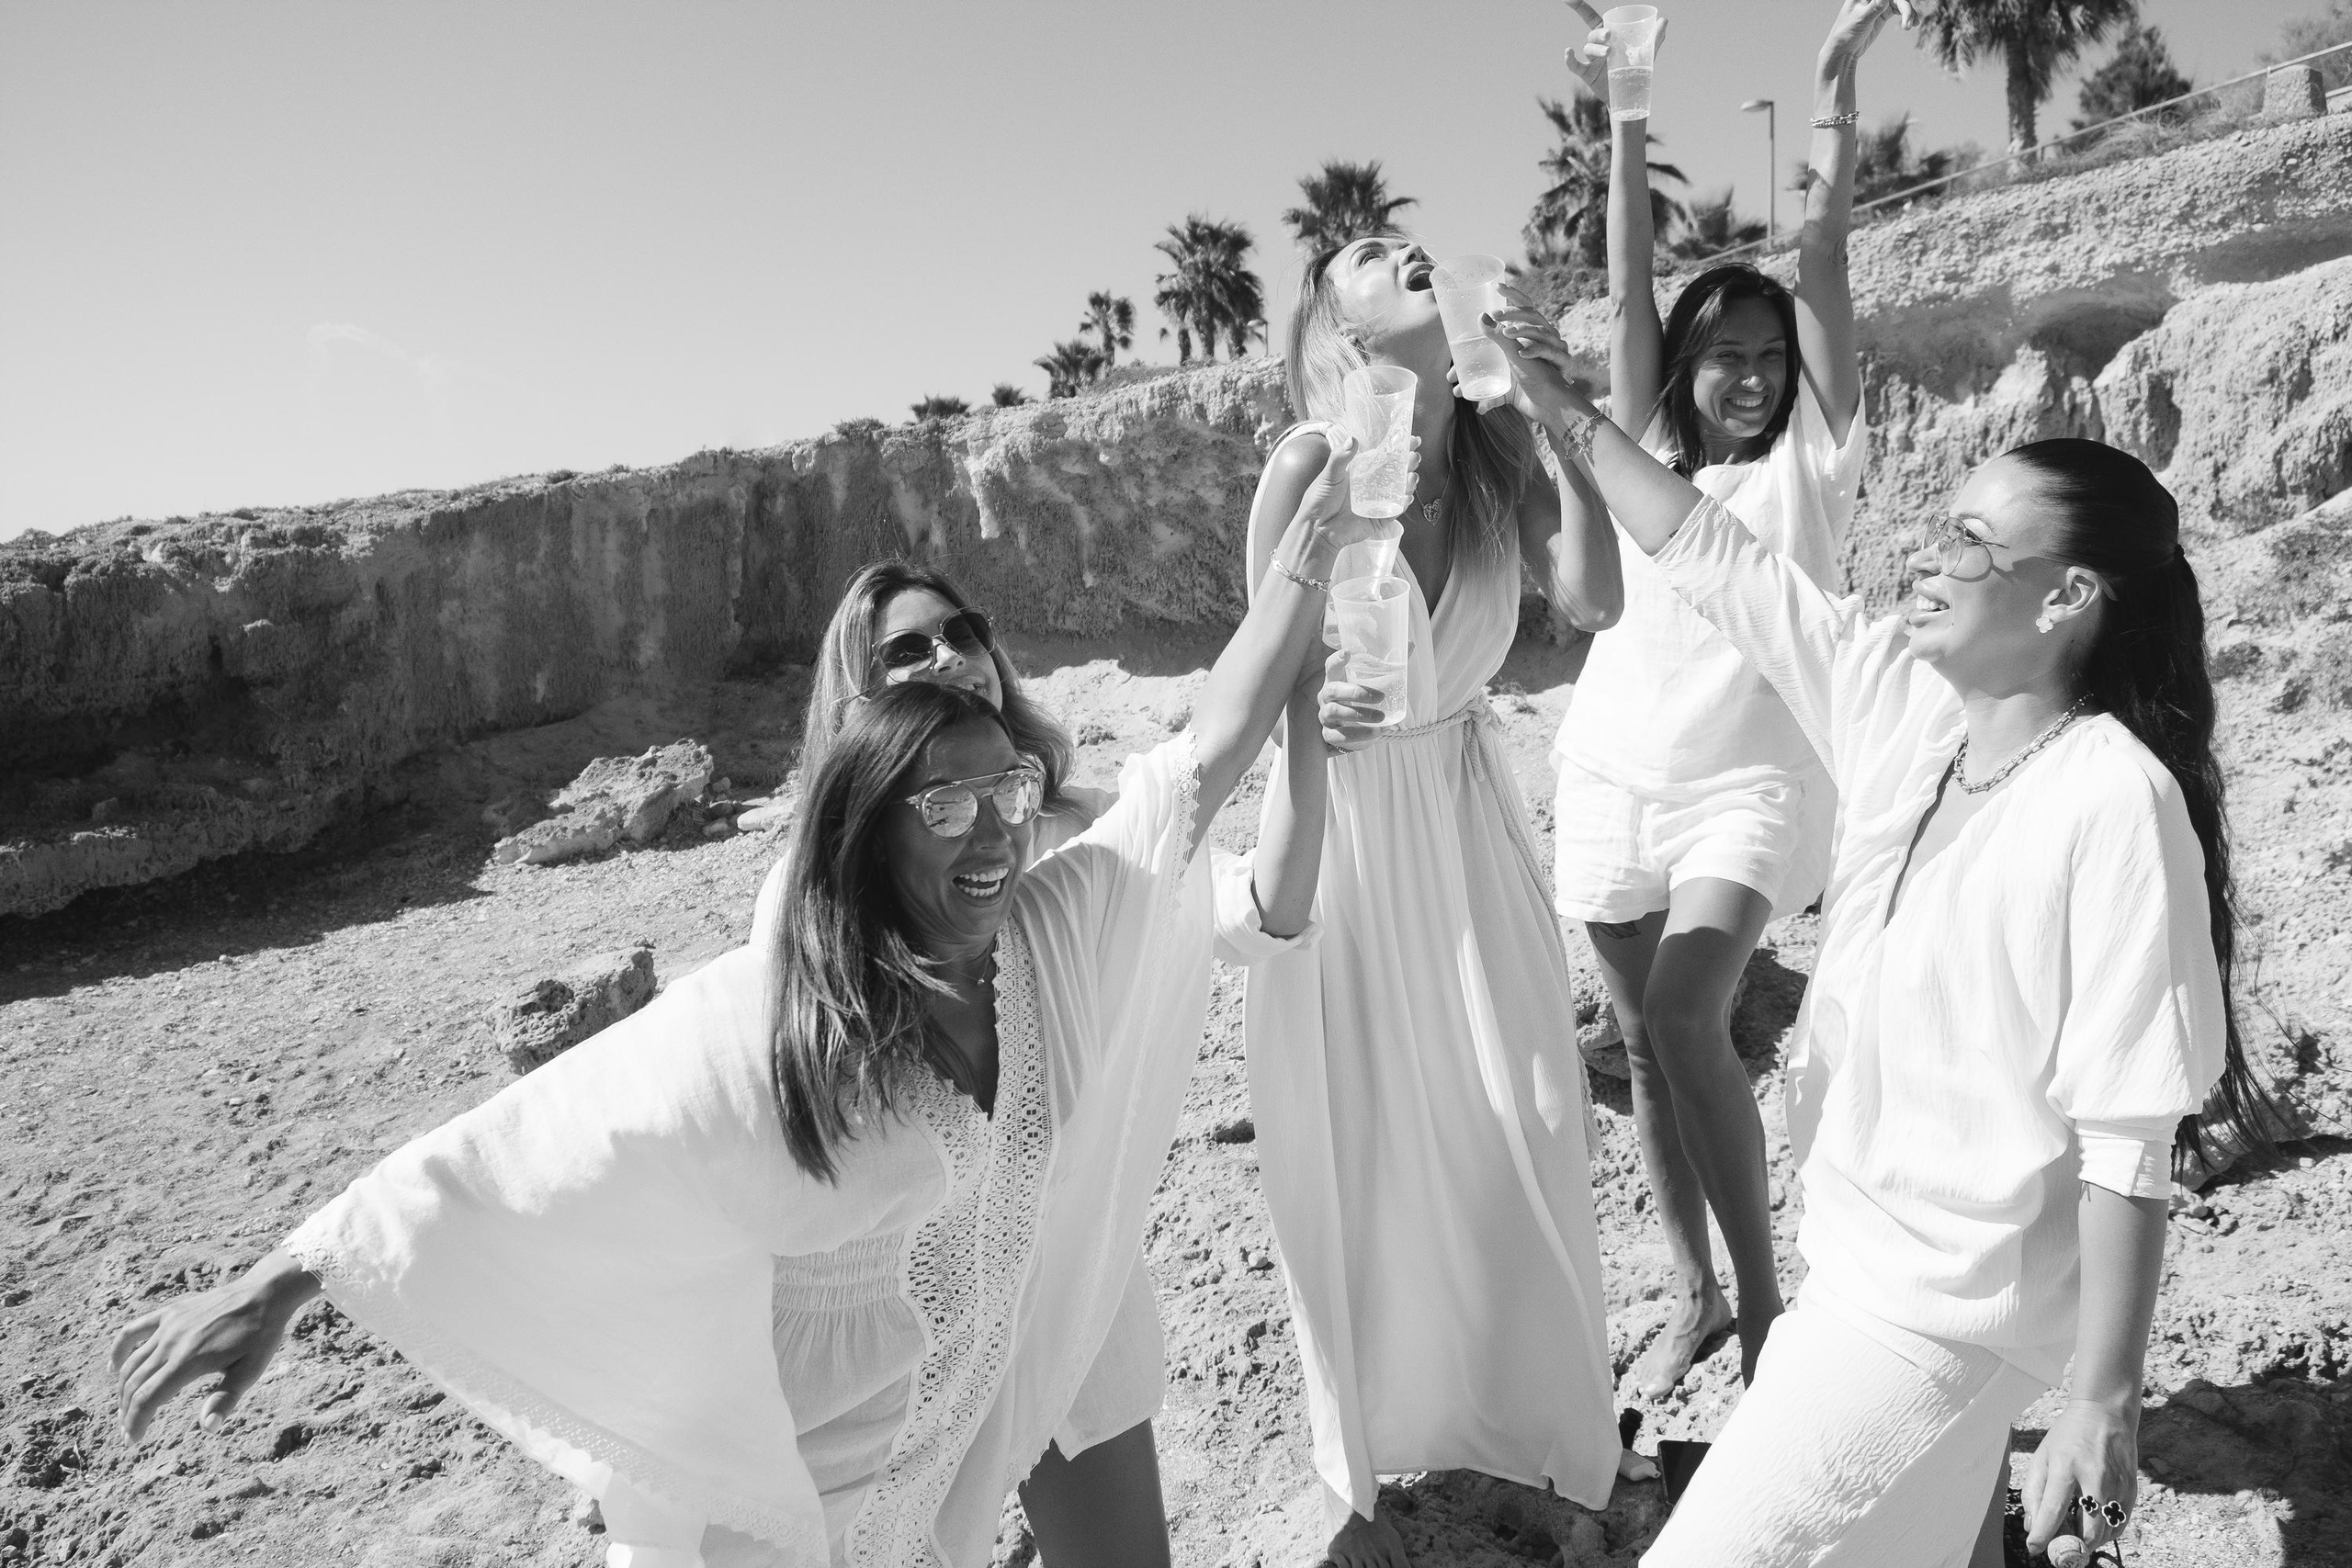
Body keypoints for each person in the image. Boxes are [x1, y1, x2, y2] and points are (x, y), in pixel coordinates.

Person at [107, 439, 1372, 1568]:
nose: (988, 828)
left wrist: (1312, 547)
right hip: (779, 1503)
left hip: (957, 1431)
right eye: (941, 800)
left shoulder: (1062, 917)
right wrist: (295, 1267)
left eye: (1009, 794)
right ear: (866, 806)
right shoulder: (796, 999)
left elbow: (1206, 753)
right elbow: (550, 1139)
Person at [1488, 284, 2275, 1563]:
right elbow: (1711, 553)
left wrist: (2102, 1397)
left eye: (1971, 540)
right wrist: (1565, 411)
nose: (1929, 550)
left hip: (1942, 1317)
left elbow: (2129, 1141)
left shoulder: (2114, 798)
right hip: (1852, 1257)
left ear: (2069, 597)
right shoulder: (1907, 703)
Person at [1241, 222, 1629, 1568]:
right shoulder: (1304, 464)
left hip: (1464, 817)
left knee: (1530, 1110)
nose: (1405, 246)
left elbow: (1593, 598)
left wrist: (1561, 422)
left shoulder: (1492, 443)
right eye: (1365, 251)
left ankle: (1574, 1456)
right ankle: (1360, 1481)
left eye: (1408, 238)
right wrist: (1310, 700)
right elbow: (1253, 675)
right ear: (1333, 327)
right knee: (1357, 1145)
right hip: (1345, 838)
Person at [1546, 0, 1901, 1396]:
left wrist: (1828, 86)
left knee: (1692, 1014)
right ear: (1686, 371)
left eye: (1769, 354)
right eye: (1727, 355)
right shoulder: (1649, 452)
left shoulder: (1816, 459)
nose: (1752, 374)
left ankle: (1766, 1306)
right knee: (1639, 1042)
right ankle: (1689, 1287)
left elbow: (1825, 258)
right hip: (1612, 770)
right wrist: (1630, 99)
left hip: (1751, 787)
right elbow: (1631, 280)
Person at [798, 559, 1113, 859]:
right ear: (857, 701)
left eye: (963, 634)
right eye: (908, 651)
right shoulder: (814, 883)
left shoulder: (1093, 829)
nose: (949, 656)